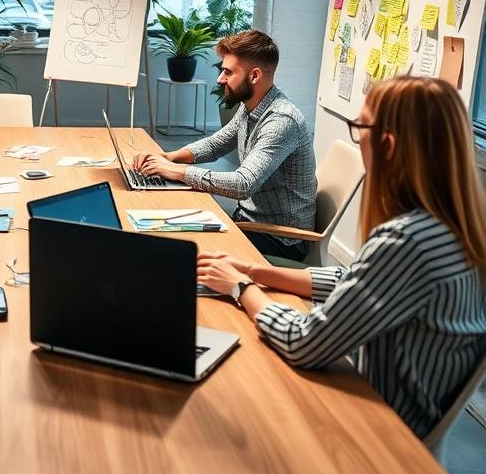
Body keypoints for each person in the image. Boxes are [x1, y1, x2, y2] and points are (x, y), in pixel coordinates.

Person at [198, 77, 486, 438]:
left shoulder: (404, 240)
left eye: (358, 126)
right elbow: (356, 280)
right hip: (392, 411)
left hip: (375, 431)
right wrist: (259, 271)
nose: (357, 134)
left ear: (388, 144)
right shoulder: (452, 228)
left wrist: (240, 288)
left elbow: (303, 341)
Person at [133, 30, 316, 262]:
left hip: (280, 238)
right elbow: (215, 144)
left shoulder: (281, 121)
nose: (220, 79)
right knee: (168, 232)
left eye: (228, 72)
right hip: (249, 219)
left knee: (181, 253)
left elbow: (242, 184)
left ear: (254, 76)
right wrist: (168, 157)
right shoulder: (251, 106)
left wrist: (176, 172)